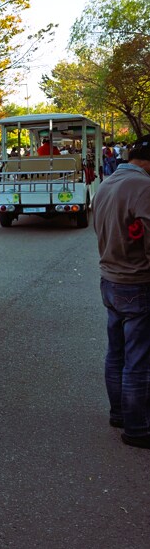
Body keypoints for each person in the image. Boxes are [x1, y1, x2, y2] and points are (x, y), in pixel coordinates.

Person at [93, 135, 150, 447]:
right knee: (138, 360)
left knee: (116, 352)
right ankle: (138, 428)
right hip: (137, 281)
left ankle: (119, 413)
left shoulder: (107, 183)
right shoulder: (143, 187)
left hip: (110, 279)